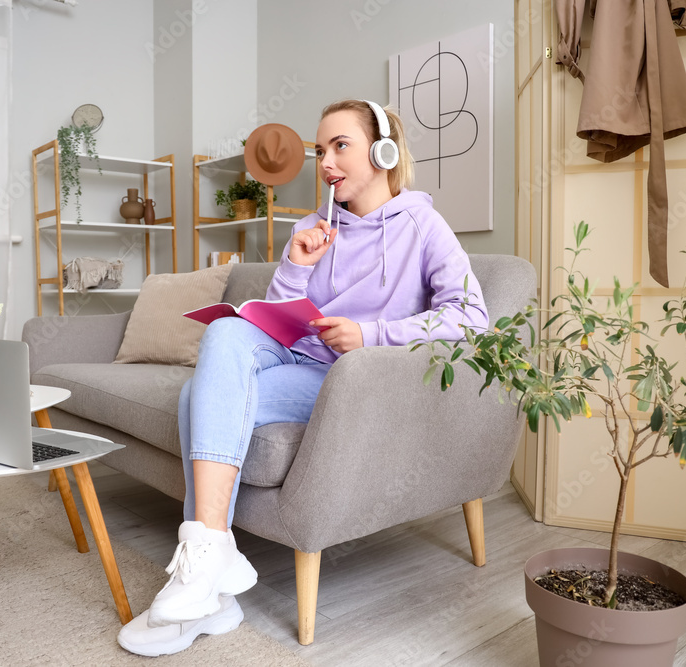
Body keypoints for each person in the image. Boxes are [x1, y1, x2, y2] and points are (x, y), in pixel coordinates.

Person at [116, 99, 489, 656]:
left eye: (341, 146)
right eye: (321, 150)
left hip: (351, 382)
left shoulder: (423, 225)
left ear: (383, 152)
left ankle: (204, 582)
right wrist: (294, 266)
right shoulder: (315, 224)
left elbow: (471, 316)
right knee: (224, 341)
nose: (326, 162)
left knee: (199, 395)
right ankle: (208, 566)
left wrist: (371, 333)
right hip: (299, 361)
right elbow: (278, 323)